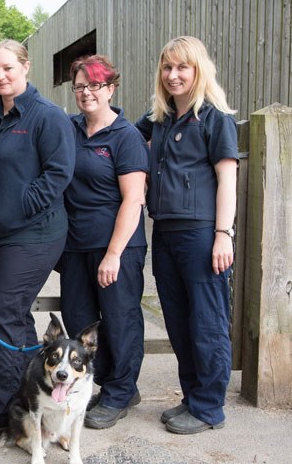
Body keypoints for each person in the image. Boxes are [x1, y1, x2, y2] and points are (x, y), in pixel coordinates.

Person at [0, 39, 75, 434]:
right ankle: (31, 404)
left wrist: (17, 208)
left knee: (3, 314)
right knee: (13, 318)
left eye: (8, 68)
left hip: (33, 234)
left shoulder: (47, 116)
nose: (0, 76)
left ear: (26, 67)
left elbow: (58, 174)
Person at [135, 36, 238, 434]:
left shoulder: (215, 119)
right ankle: (192, 396)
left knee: (207, 323)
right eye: (167, 68)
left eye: (182, 67)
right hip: (164, 234)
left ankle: (210, 407)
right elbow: (121, 133)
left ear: (198, 71)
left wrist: (223, 234)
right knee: (178, 322)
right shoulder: (158, 120)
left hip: (201, 235)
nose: (173, 75)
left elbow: (227, 179)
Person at [59, 55, 149, 430]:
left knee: (120, 319)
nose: (86, 93)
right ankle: (107, 382)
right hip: (75, 247)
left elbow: (134, 198)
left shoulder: (125, 136)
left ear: (111, 88)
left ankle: (120, 391)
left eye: (95, 85)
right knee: (80, 322)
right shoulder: (69, 129)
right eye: (80, 86)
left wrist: (113, 254)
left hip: (118, 246)